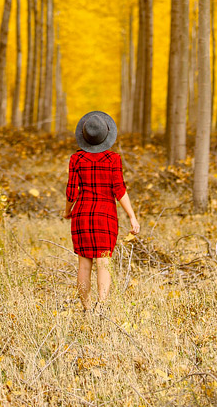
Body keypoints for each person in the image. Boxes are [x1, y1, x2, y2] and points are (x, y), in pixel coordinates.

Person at [63, 110, 139, 313]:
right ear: (106, 135)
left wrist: (67, 211)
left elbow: (72, 192)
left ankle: (86, 309)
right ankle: (101, 307)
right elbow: (119, 190)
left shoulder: (76, 159)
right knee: (104, 262)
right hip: (105, 216)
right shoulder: (113, 159)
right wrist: (132, 216)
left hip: (82, 214)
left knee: (84, 264)